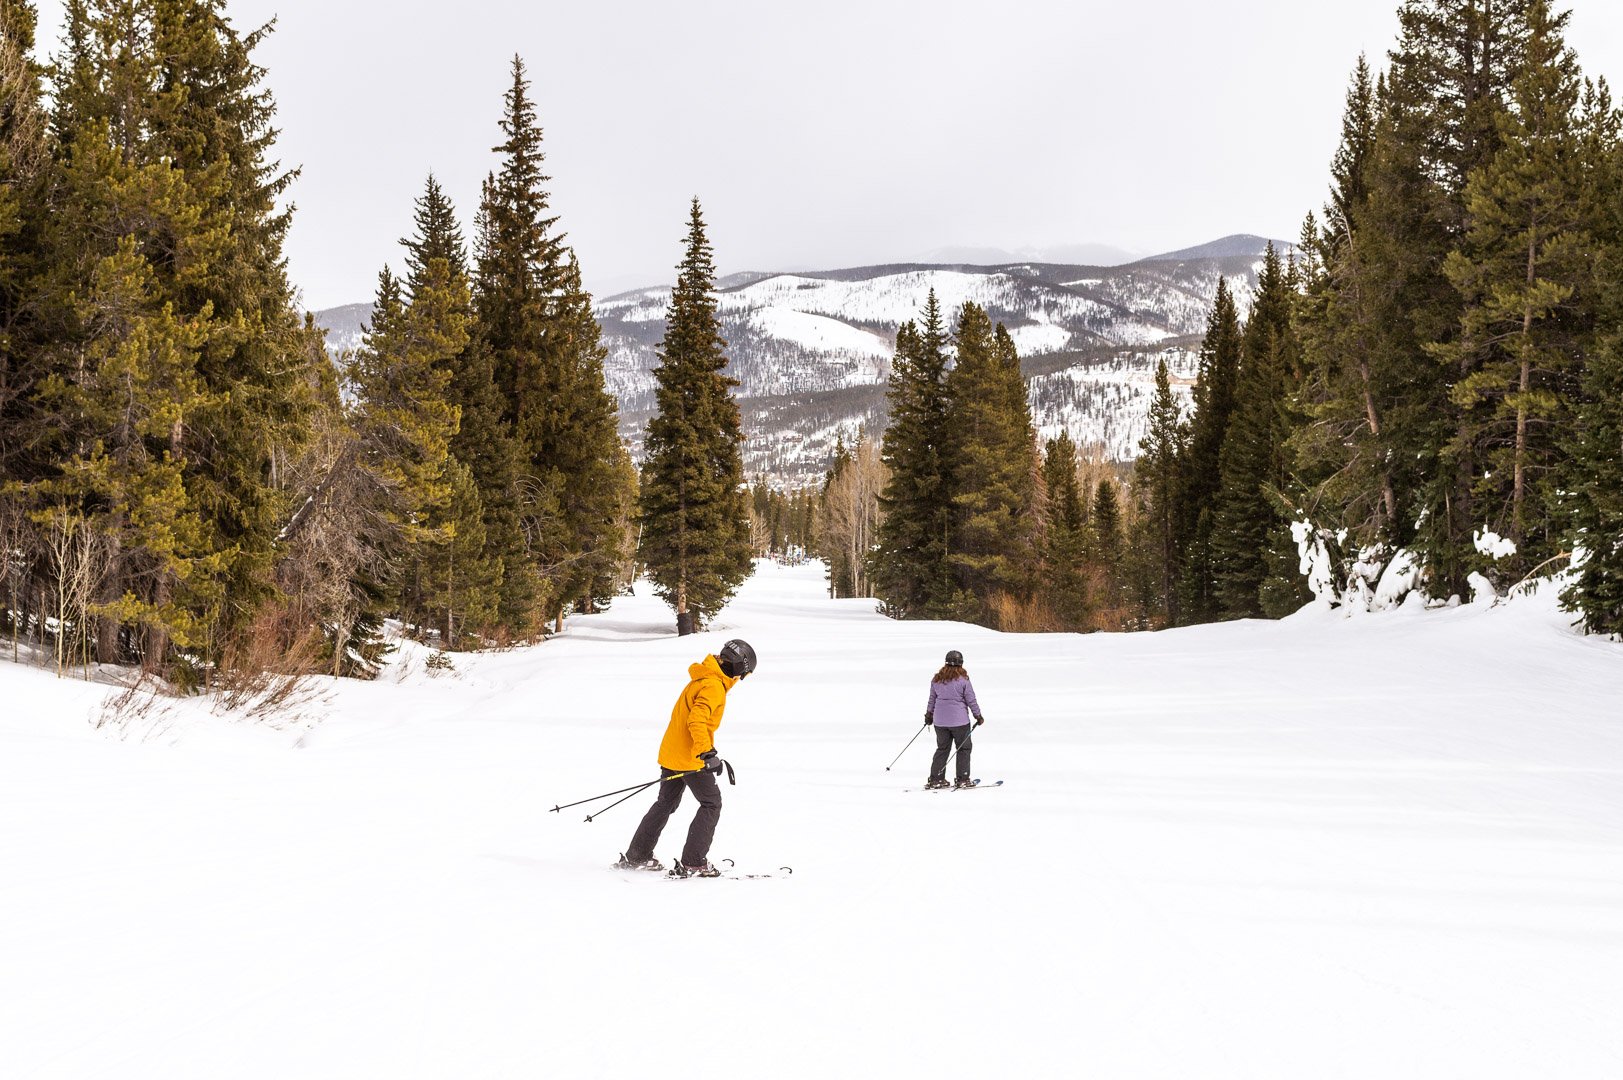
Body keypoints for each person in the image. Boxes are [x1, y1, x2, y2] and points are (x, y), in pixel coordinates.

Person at [615, 639, 757, 877]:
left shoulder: (702, 677)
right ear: (738, 667)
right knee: (711, 803)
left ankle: (638, 856)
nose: (741, 680)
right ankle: (694, 862)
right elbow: (697, 721)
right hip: (691, 758)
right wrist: (707, 753)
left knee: (665, 804)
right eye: (744, 674)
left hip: (673, 754)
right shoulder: (713, 686)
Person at [924, 649, 984, 789]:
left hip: (940, 722)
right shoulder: (963, 680)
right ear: (960, 664)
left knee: (942, 748)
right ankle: (963, 778)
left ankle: (936, 779)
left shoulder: (937, 680)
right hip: (959, 721)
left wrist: (929, 715)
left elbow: (932, 700)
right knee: (963, 748)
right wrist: (978, 715)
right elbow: (971, 700)